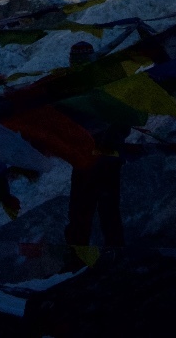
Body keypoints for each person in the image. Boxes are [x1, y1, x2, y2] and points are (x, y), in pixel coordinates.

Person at [61, 41, 126, 267]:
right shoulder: (109, 83)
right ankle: (111, 253)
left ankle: (78, 257)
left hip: (87, 156)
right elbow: (123, 120)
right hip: (106, 156)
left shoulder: (68, 86)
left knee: (82, 207)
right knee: (105, 207)